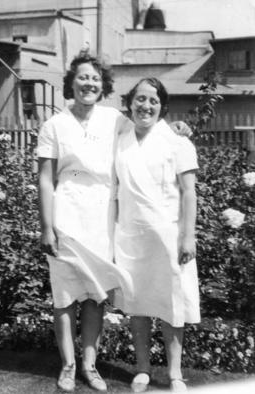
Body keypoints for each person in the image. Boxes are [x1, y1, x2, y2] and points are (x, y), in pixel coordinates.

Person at [37, 51, 134, 392]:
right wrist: (47, 227)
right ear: (71, 82)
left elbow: (148, 129)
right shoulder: (54, 125)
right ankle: (68, 365)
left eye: (95, 78)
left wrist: (177, 127)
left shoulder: (115, 120)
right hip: (65, 215)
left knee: (95, 296)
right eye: (82, 77)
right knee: (64, 296)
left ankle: (90, 365)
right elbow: (47, 179)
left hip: (101, 217)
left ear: (103, 85)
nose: (88, 83)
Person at [114, 77, 200, 393]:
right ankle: (142, 368)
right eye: (140, 99)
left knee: (171, 304)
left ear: (162, 106)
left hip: (169, 236)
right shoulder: (120, 136)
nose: (145, 106)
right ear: (129, 102)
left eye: (153, 100)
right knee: (137, 303)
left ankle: (175, 373)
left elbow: (189, 193)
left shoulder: (178, 142)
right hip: (131, 235)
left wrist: (188, 236)